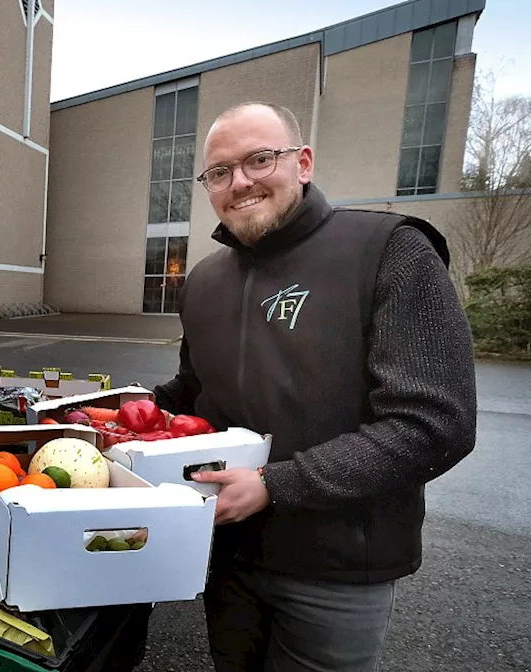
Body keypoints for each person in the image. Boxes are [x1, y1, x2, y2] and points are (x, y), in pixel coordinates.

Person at [154, 102, 477, 672]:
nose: (241, 182)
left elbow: (434, 423)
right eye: (219, 172)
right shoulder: (204, 281)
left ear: (302, 163)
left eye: (259, 159)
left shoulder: (389, 250)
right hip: (227, 551)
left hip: (338, 568)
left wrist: (276, 485)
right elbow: (193, 389)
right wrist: (114, 413)